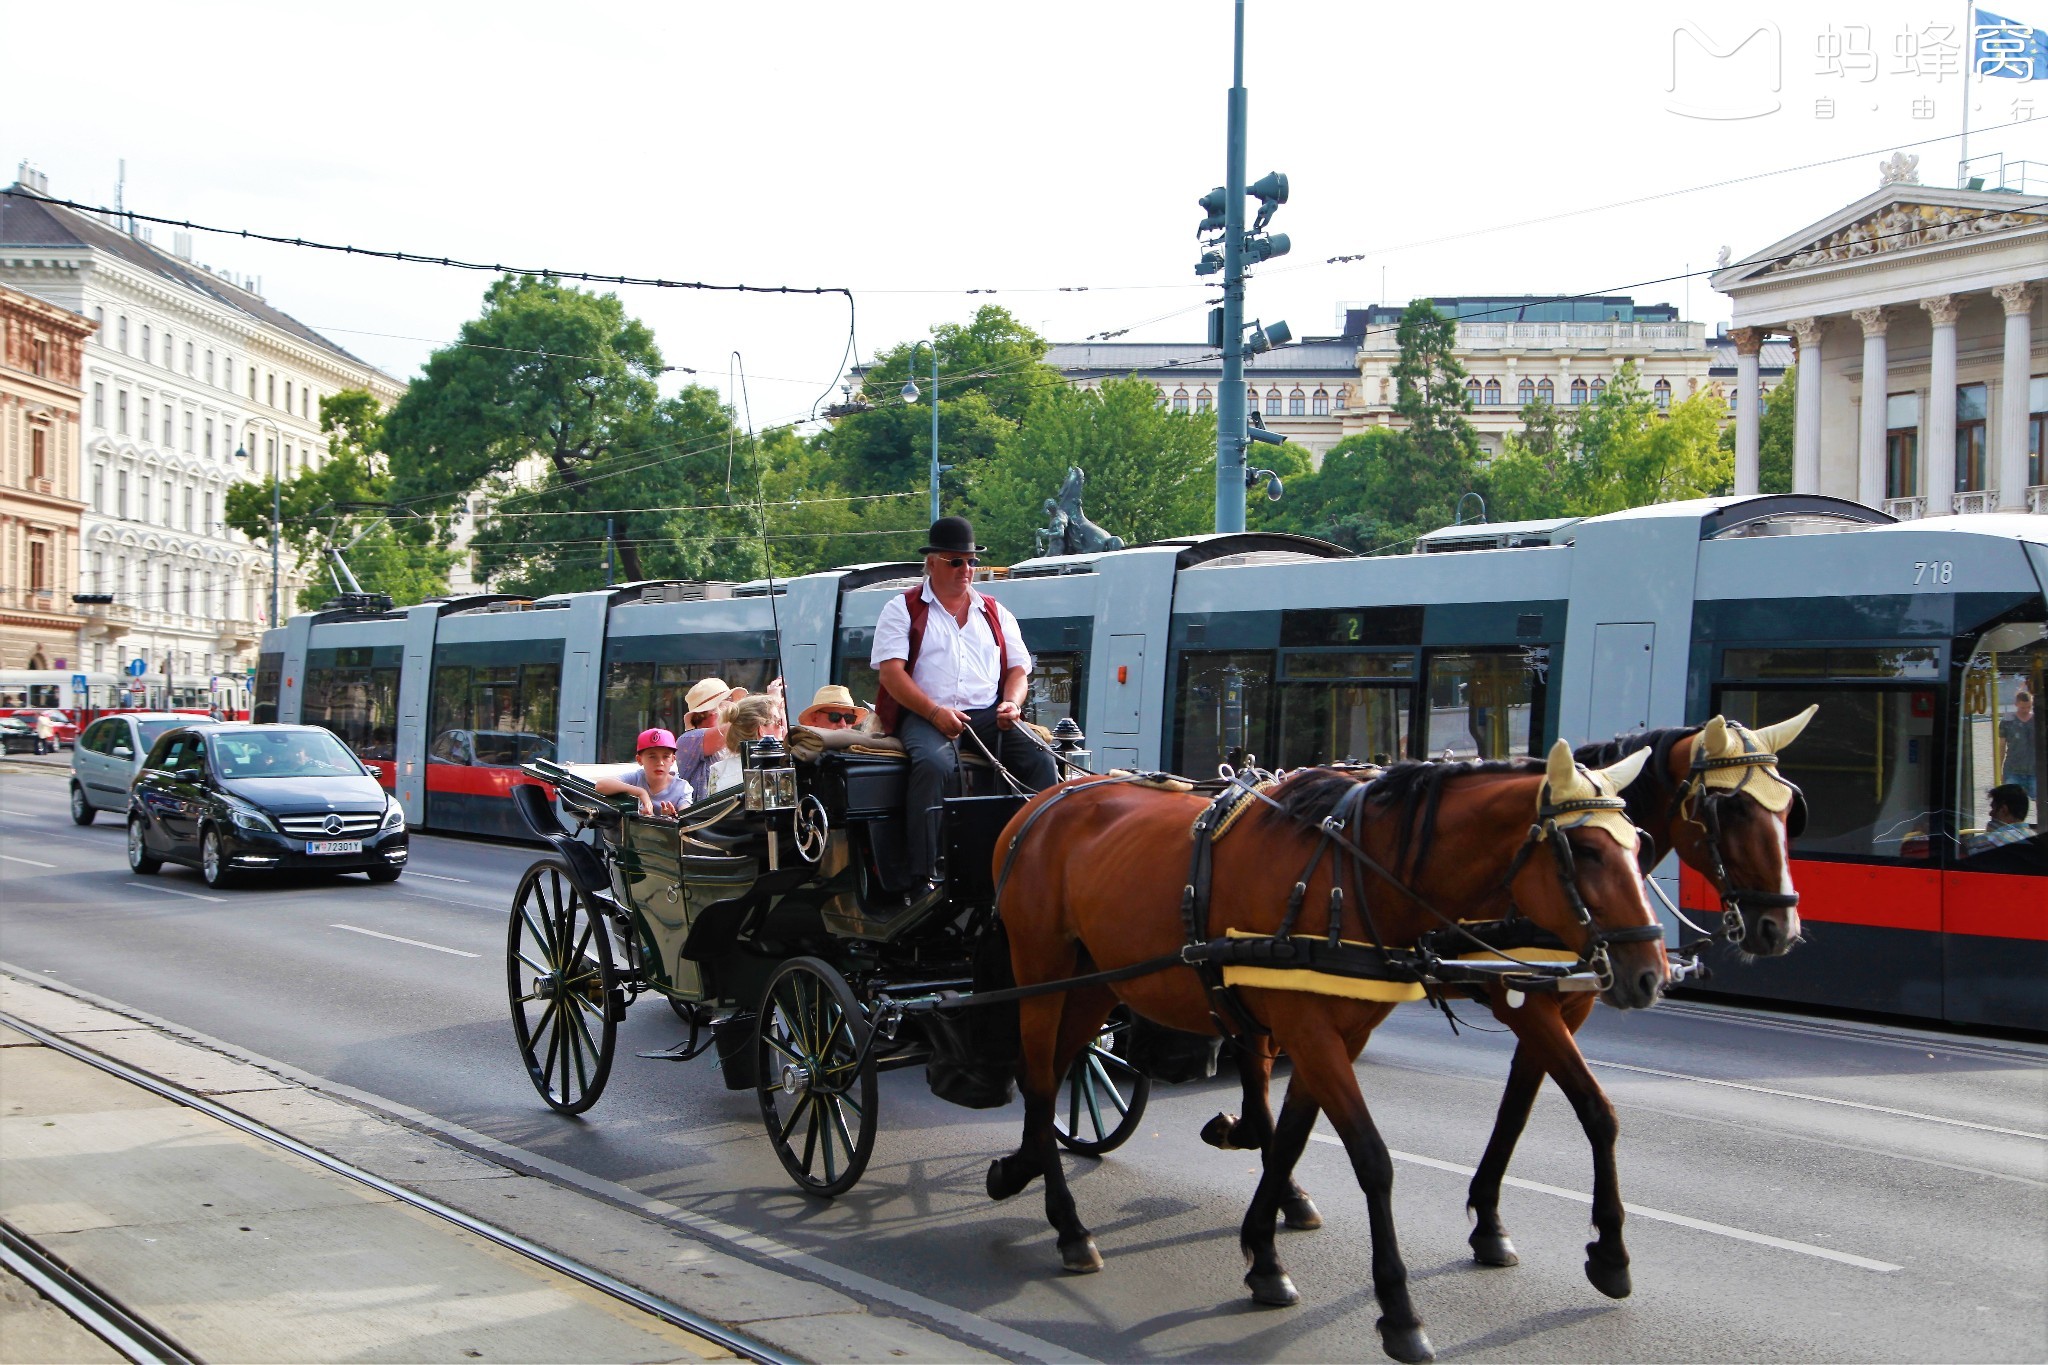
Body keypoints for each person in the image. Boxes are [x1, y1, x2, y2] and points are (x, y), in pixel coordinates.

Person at [872, 515, 1057, 900]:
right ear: (932, 563)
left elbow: (1018, 671)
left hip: (988, 714)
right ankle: (925, 874)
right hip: (925, 712)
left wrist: (1011, 703)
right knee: (934, 764)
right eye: (956, 561)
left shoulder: (994, 611)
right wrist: (934, 713)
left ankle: (1041, 857)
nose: (966, 570)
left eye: (971, 561)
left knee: (1042, 758)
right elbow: (892, 675)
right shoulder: (901, 608)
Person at [594, 728, 694, 817]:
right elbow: (601, 785)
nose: (660, 763)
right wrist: (641, 793)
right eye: (652, 757)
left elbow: (685, 817)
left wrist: (671, 818)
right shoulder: (635, 778)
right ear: (639, 760)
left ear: (673, 760)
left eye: (666, 756)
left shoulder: (683, 788)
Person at [674, 677, 746, 796]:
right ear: (706, 712)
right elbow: (739, 724)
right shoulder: (688, 739)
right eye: (727, 699)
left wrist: (778, 706)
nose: (733, 704)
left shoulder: (732, 738)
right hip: (706, 814)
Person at [704, 696, 779, 795]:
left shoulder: (718, 770)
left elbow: (715, 809)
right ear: (762, 730)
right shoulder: (782, 769)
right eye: (778, 722)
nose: (782, 728)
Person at [1967, 784, 2033, 855]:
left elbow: (1962, 849)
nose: (1990, 813)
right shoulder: (2033, 836)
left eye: (1993, 808)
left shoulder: (1992, 840)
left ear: (2003, 810)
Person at [2001, 687, 2035, 801]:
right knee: (2011, 804)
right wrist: (1999, 769)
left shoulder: (2038, 720)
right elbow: (2001, 746)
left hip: (2035, 770)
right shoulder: (2007, 721)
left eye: (2028, 707)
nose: (2025, 710)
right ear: (2016, 704)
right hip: (2013, 770)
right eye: (2022, 707)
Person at [795, 684, 869, 732]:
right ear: (815, 718)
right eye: (835, 717)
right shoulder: (799, 750)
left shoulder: (861, 752)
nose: (843, 724)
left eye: (849, 718)